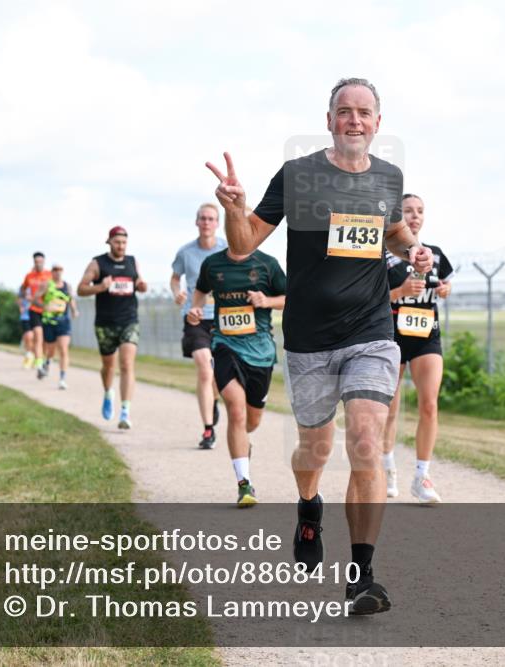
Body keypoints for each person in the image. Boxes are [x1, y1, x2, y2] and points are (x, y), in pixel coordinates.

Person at [206, 77, 433, 615]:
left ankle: (361, 577)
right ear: (330, 119)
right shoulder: (300, 174)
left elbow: (393, 231)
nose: (354, 120)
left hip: (371, 332)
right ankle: (309, 506)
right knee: (316, 451)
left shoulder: (388, 177)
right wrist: (235, 207)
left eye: (364, 112)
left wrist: (414, 249)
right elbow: (243, 243)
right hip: (308, 340)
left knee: (364, 440)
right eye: (344, 111)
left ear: (378, 122)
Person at [189, 246, 286, 506]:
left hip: (261, 353)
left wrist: (266, 301)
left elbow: (291, 297)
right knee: (235, 409)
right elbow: (200, 290)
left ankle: (243, 444)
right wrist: (196, 309)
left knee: (251, 422)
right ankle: (244, 484)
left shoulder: (268, 264)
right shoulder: (213, 263)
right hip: (225, 346)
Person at [380, 193, 454, 504]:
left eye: (420, 211)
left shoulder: (434, 254)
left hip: (427, 335)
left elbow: (443, 285)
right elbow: (370, 300)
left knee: (429, 404)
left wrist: (446, 289)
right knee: (390, 409)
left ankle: (422, 475)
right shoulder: (384, 256)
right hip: (392, 335)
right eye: (408, 211)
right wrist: (400, 291)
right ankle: (387, 468)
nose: (415, 216)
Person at [77, 226, 148, 429]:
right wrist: (100, 287)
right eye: (117, 242)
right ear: (109, 242)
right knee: (109, 366)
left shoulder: (132, 262)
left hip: (129, 320)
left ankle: (125, 411)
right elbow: (81, 289)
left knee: (126, 364)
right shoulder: (98, 263)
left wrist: (142, 286)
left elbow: (140, 283)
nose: (121, 246)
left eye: (124, 242)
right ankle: (108, 392)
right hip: (105, 323)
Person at [172, 204, 229, 449]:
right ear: (197, 222)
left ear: (217, 223)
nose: (206, 222)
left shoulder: (227, 248)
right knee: (205, 369)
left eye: (211, 219)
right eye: (203, 218)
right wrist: (177, 293)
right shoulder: (186, 252)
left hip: (223, 317)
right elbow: (175, 278)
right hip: (195, 317)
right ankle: (208, 431)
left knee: (218, 375)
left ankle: (212, 401)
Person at [39, 264, 79, 390]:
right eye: (55, 270)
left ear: (63, 271)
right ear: (52, 272)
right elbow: (34, 299)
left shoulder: (67, 286)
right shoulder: (47, 285)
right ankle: (47, 362)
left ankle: (62, 379)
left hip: (63, 321)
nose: (58, 272)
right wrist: (43, 306)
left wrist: (74, 310)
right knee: (50, 350)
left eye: (60, 269)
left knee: (63, 348)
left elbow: (71, 300)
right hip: (49, 322)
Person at [21, 252, 52, 373]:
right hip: (34, 309)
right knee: (38, 336)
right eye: (36, 262)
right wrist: (26, 296)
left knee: (46, 340)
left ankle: (43, 360)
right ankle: (39, 365)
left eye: (40, 261)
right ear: (33, 262)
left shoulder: (49, 275)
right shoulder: (29, 276)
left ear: (44, 262)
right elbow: (23, 289)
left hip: (47, 311)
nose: (38, 264)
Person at [17, 285, 35, 368]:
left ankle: (33, 357)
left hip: (35, 316)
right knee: (28, 337)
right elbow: (19, 303)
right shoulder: (22, 288)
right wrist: (21, 306)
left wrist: (30, 302)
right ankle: (28, 356)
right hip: (25, 317)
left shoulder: (36, 288)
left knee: (35, 339)